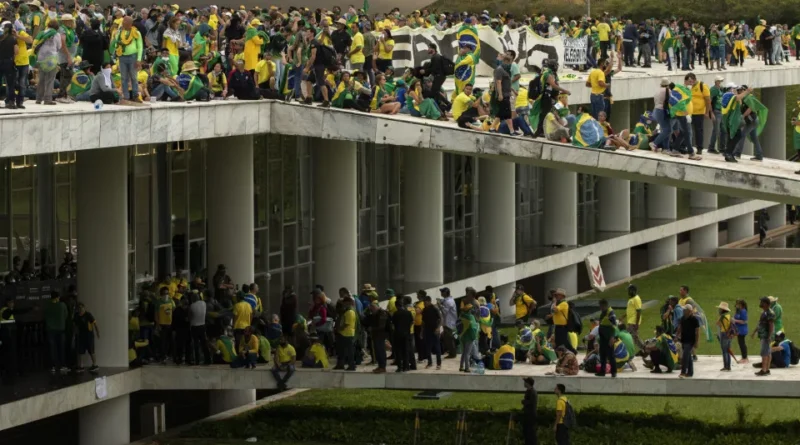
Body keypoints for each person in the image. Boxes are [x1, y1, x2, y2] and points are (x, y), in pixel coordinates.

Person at [112, 16, 143, 102]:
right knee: (123, 77)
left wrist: (139, 59)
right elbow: (116, 44)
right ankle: (126, 96)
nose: (123, 22)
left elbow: (140, 46)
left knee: (134, 77)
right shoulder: (119, 33)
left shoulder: (136, 32)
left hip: (133, 57)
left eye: (125, 21)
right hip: (122, 57)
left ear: (130, 23)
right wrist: (118, 47)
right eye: (123, 21)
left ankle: (135, 95)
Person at [35, 19, 62, 105]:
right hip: (51, 59)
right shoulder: (57, 34)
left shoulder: (42, 33)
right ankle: (47, 99)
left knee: (41, 79)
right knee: (50, 79)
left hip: (41, 58)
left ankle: (38, 99)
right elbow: (59, 46)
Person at [752, 296, 775, 376]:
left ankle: (764, 370)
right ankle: (767, 370)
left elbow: (771, 325)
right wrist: (754, 332)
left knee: (764, 353)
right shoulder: (764, 312)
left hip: (766, 336)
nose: (760, 303)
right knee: (767, 352)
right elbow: (760, 324)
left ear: (765, 303)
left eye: (762, 302)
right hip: (763, 335)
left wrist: (769, 336)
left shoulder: (769, 313)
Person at [595, 299, 617, 377]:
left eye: (601, 306)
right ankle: (602, 371)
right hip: (603, 337)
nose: (600, 308)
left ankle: (614, 372)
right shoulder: (603, 312)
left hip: (609, 337)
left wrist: (612, 337)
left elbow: (614, 325)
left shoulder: (611, 313)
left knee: (611, 355)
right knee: (602, 354)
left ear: (605, 305)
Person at [75, 302, 100, 372]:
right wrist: (74, 335)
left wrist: (97, 332)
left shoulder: (88, 315)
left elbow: (95, 324)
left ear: (84, 308)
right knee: (81, 351)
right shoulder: (76, 315)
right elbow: (76, 326)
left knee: (91, 350)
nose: (80, 309)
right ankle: (81, 366)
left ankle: (95, 365)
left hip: (89, 335)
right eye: (79, 308)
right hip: (81, 335)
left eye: (81, 307)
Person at [366, 301, 389, 373]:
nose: (371, 312)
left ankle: (382, 367)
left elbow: (381, 326)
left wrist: (372, 328)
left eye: (372, 310)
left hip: (380, 335)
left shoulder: (382, 314)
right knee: (378, 351)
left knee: (380, 351)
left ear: (374, 308)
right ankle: (380, 366)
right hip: (376, 335)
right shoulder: (377, 314)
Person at [392, 296, 414, 372]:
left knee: (398, 351)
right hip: (407, 334)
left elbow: (393, 324)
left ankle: (400, 367)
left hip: (398, 334)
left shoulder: (396, 314)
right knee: (406, 350)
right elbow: (412, 322)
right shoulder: (408, 312)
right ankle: (406, 366)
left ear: (396, 306)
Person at [334, 296, 357, 371]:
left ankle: (351, 365)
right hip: (344, 333)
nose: (343, 304)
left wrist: (340, 328)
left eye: (344, 302)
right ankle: (340, 364)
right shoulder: (346, 311)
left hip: (347, 334)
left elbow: (347, 323)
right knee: (341, 350)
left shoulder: (350, 312)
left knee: (349, 351)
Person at [677, 303, 699, 378]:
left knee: (685, 355)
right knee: (688, 356)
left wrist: (696, 342)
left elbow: (697, 331)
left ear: (689, 311)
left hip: (691, 341)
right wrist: (676, 336)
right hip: (684, 339)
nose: (683, 311)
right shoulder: (683, 318)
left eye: (685, 310)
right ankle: (690, 373)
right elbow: (680, 327)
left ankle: (683, 372)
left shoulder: (694, 319)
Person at [421, 295, 442, 370]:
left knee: (437, 347)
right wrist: (421, 331)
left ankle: (439, 363)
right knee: (428, 347)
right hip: (427, 330)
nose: (424, 304)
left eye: (425, 302)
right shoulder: (424, 310)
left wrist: (438, 328)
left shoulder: (435, 309)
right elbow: (423, 322)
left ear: (429, 301)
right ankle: (430, 362)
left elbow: (440, 319)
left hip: (435, 330)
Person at [459, 306, 478, 372]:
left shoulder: (461, 316)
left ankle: (461, 366)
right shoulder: (471, 317)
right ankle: (467, 368)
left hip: (463, 336)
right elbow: (473, 328)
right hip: (469, 337)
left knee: (464, 352)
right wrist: (474, 337)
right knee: (467, 353)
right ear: (469, 310)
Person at [625, 284, 644, 352]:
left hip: (633, 322)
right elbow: (630, 310)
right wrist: (623, 316)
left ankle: (645, 349)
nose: (628, 292)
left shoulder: (636, 299)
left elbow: (639, 311)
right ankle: (644, 348)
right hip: (631, 321)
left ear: (632, 291)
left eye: (629, 290)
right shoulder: (631, 299)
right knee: (632, 337)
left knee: (633, 337)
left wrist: (636, 323)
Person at [440, 287, 457, 358]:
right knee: (447, 338)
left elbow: (444, 312)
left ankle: (452, 354)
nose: (441, 293)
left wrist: (440, 306)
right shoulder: (447, 300)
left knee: (449, 338)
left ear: (445, 293)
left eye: (442, 292)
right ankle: (451, 352)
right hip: (448, 321)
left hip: (449, 322)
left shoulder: (448, 301)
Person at [521, 377, 538, 445]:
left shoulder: (532, 392)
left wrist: (524, 401)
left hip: (530, 415)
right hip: (527, 414)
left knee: (530, 433)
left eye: (525, 382)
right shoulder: (528, 391)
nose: (524, 383)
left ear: (528, 383)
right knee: (526, 432)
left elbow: (531, 403)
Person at [733, 299, 749, 363]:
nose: (736, 305)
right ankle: (744, 356)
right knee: (741, 343)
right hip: (738, 330)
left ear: (741, 305)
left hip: (742, 330)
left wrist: (735, 320)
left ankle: (744, 358)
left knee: (742, 343)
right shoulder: (738, 311)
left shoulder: (743, 311)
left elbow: (744, 321)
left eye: (738, 304)